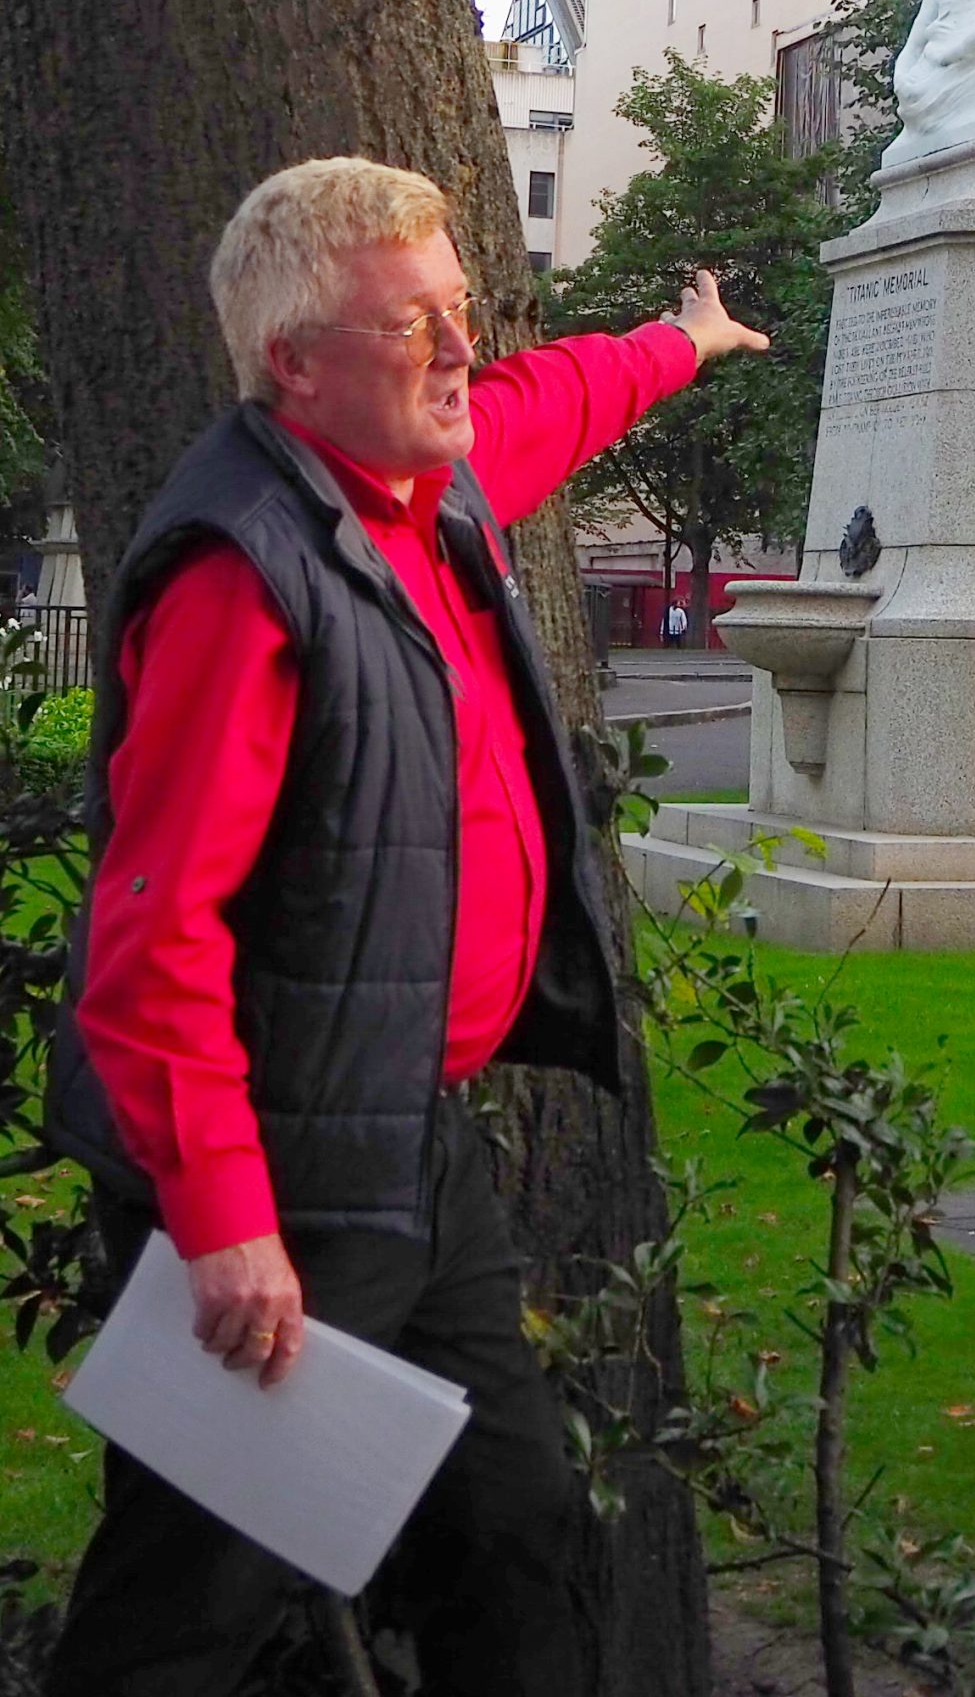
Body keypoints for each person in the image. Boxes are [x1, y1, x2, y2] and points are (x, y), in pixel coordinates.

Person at [43, 156, 768, 1697]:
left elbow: (550, 400)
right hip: (282, 1179)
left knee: (513, 1537)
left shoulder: (426, 485)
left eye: (460, 309)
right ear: (294, 365)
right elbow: (157, 933)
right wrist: (225, 1220)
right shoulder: (244, 575)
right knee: (187, 1605)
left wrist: (682, 342)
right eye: (409, 325)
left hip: (407, 1148)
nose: (457, 350)